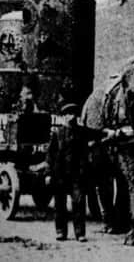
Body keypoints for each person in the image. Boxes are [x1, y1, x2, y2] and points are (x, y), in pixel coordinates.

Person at [46, 86, 89, 242]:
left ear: (76, 116)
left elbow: (86, 151)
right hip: (60, 175)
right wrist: (48, 174)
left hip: (76, 175)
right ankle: (60, 231)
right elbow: (50, 156)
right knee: (60, 205)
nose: (70, 117)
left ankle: (80, 233)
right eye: (67, 114)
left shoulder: (81, 132)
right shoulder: (57, 134)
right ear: (63, 117)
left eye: (73, 114)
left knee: (78, 203)